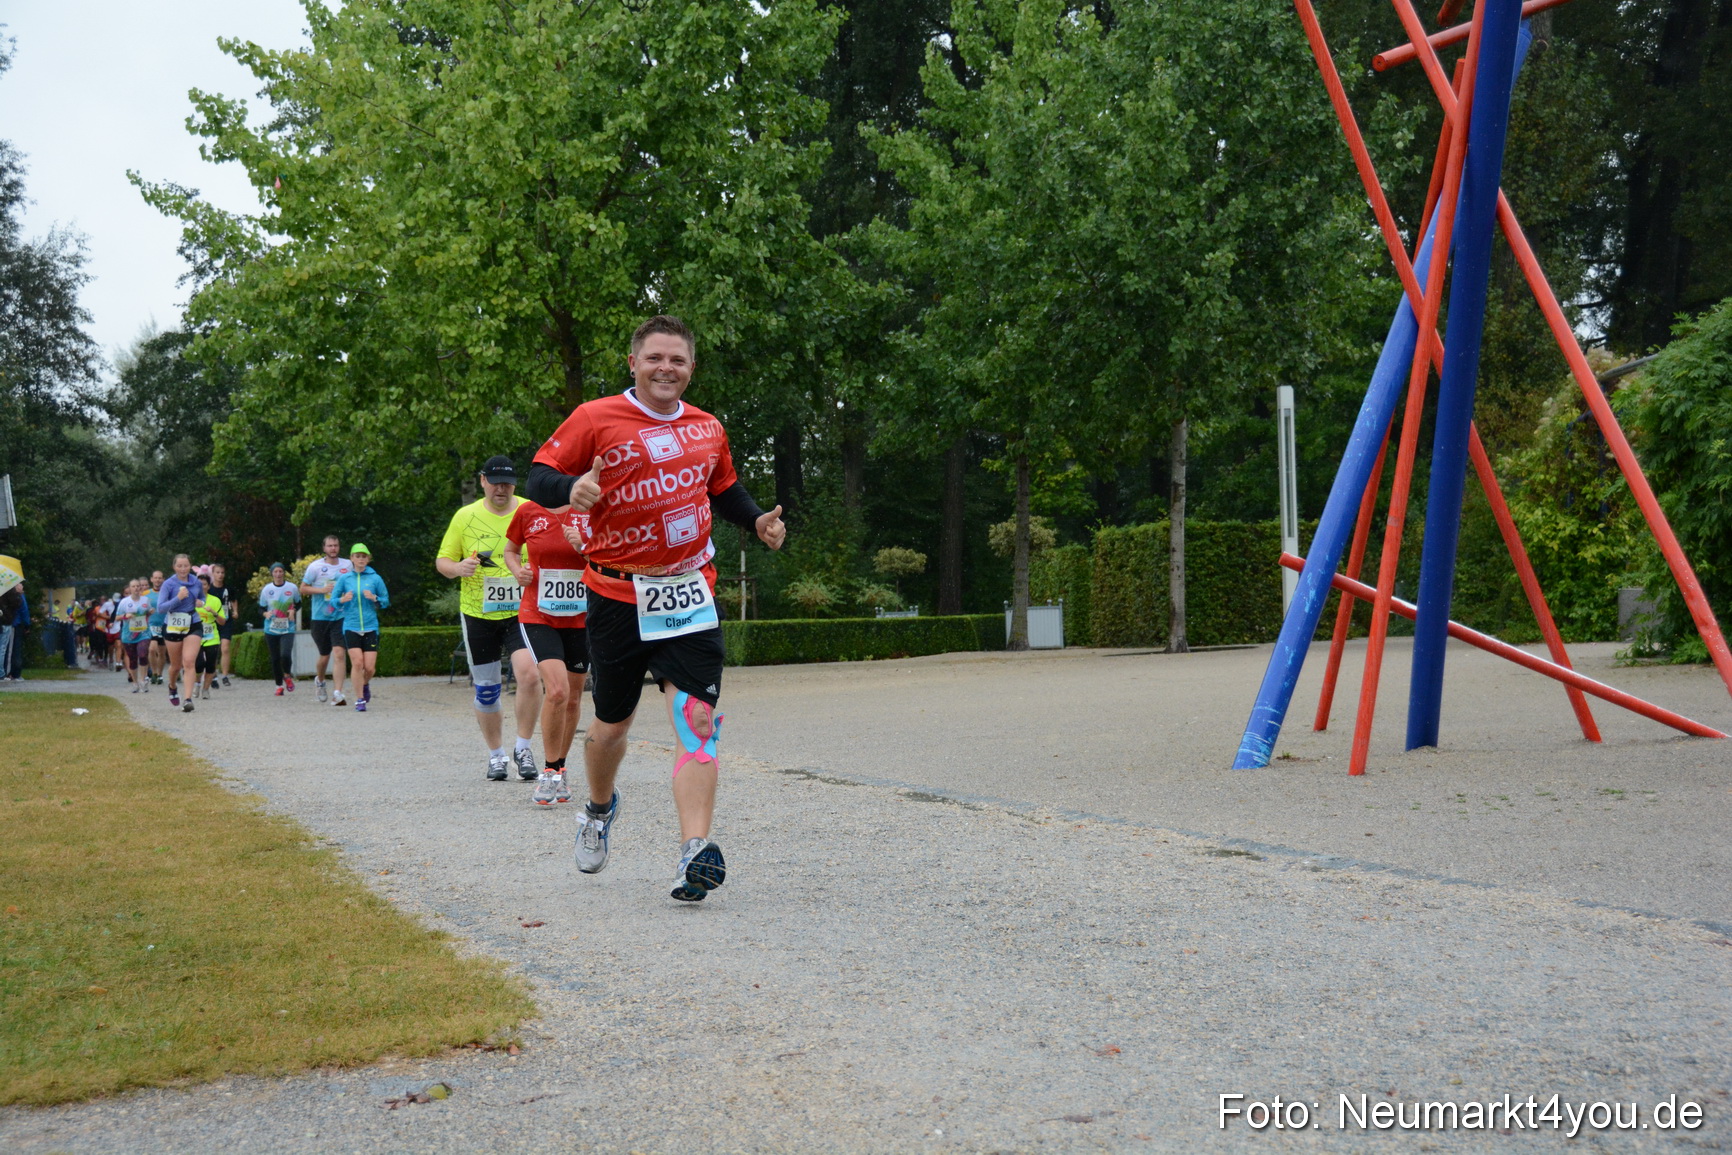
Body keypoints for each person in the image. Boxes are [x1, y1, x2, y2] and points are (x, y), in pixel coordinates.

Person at [526, 314, 785, 901]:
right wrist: (569, 490)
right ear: (633, 363)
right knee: (611, 726)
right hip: (617, 595)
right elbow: (539, 475)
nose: (666, 368)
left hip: (690, 592)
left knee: (698, 721)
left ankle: (694, 850)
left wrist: (755, 521)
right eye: (655, 358)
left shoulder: (707, 427)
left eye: (677, 360)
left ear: (691, 368)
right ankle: (598, 810)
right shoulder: (595, 417)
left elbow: (723, 488)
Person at [435, 456, 543, 780]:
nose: (501, 489)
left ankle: (523, 748)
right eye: (495, 482)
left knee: (530, 676)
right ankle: (496, 756)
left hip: (522, 612)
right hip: (478, 614)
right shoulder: (464, 517)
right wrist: (458, 568)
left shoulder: (530, 510)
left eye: (507, 483)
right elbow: (443, 561)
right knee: (486, 689)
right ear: (483, 481)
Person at [505, 497, 591, 806]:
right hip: (538, 615)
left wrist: (585, 547)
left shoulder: (591, 508)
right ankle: (549, 771)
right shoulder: (529, 510)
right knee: (557, 691)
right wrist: (518, 571)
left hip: (582, 618)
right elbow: (511, 550)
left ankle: (561, 768)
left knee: (573, 698)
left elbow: (614, 554)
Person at [332, 544, 388, 712]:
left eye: (364, 556)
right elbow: (333, 601)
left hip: (370, 627)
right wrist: (342, 600)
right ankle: (359, 699)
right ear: (352, 558)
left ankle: (364, 684)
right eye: (357, 556)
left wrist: (375, 598)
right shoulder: (344, 579)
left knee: (369, 668)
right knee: (357, 663)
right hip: (351, 626)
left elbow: (386, 601)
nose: (361, 559)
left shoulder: (375, 578)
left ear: (368, 559)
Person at [300, 536, 352, 705]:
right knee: (324, 655)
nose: (333, 548)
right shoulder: (315, 567)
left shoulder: (347, 565)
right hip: (320, 617)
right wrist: (322, 590)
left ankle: (338, 693)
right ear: (324, 548)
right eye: (330, 546)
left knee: (339, 653)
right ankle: (320, 681)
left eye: (335, 545)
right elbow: (303, 588)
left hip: (340, 615)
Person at [158, 554, 204, 712]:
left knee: (189, 662)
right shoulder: (168, 584)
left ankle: (187, 699)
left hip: (193, 622)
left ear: (190, 566)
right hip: (173, 624)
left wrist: (201, 602)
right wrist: (178, 598)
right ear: (174, 567)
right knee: (176, 666)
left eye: (186, 566)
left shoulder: (196, 582)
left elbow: (202, 597)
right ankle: (172, 686)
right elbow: (161, 608)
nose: (183, 569)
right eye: (179, 566)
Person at [259, 563, 300, 695]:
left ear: (284, 573)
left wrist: (293, 610)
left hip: (288, 628)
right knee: (275, 658)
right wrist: (265, 614)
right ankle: (279, 686)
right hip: (271, 628)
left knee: (285, 654)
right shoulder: (267, 589)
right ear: (272, 573)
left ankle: (287, 675)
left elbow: (298, 603)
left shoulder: (292, 588)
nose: (278, 574)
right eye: (275, 572)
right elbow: (261, 608)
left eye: (280, 571)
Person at [206, 563, 238, 688]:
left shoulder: (228, 588)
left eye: (222, 573)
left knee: (225, 648)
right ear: (213, 574)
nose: (220, 575)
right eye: (217, 572)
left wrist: (235, 611)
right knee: (212, 650)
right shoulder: (209, 589)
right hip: (212, 622)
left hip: (226, 620)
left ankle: (224, 676)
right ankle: (213, 675)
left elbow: (233, 600)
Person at [117, 579, 152, 693]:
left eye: (138, 586)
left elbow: (148, 611)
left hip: (143, 633)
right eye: (133, 586)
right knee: (132, 659)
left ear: (140, 588)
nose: (136, 588)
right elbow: (117, 617)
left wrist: (150, 612)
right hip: (129, 635)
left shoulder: (145, 600)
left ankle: (143, 680)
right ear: (130, 588)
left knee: (142, 654)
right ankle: (135, 683)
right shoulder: (124, 602)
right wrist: (125, 616)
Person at [145, 570, 167, 684]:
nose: (157, 580)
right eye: (155, 578)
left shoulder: (167, 592)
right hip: (151, 625)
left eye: (160, 578)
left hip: (164, 625)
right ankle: (153, 673)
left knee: (162, 652)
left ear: (163, 579)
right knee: (152, 649)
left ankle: (160, 674)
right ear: (151, 579)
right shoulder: (145, 593)